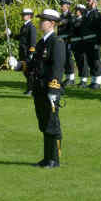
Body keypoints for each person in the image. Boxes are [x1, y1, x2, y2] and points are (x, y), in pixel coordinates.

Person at [28, 9, 65, 169]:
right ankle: (46, 157)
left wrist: (54, 90)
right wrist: (19, 65)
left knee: (52, 123)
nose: (40, 22)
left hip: (50, 89)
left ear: (52, 23)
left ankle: (54, 160)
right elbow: (34, 66)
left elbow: (57, 68)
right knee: (43, 122)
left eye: (44, 20)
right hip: (39, 88)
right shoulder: (41, 42)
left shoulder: (56, 42)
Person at [82, 0, 101, 89]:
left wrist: (98, 43)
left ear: (94, 2)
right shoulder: (87, 13)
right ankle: (93, 80)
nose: (87, 2)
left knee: (95, 61)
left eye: (89, 1)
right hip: (87, 40)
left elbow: (99, 29)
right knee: (90, 60)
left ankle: (98, 81)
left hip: (94, 41)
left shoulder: (97, 13)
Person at [17, 8, 37, 95]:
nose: (22, 16)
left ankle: (31, 89)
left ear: (29, 16)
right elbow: (20, 37)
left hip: (28, 53)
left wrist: (31, 53)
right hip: (22, 52)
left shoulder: (31, 27)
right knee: (25, 71)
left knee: (29, 72)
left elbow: (33, 41)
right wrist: (10, 34)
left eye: (24, 15)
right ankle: (30, 88)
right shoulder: (23, 26)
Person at [58, 0, 75, 86]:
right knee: (64, 58)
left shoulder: (70, 16)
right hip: (61, 40)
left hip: (67, 40)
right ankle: (67, 77)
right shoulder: (61, 16)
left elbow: (71, 29)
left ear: (68, 6)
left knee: (69, 58)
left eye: (62, 5)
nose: (61, 6)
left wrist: (69, 40)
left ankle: (71, 78)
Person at [71, 4, 89, 87]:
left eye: (78, 10)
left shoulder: (84, 20)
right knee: (79, 61)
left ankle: (84, 80)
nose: (76, 11)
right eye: (76, 10)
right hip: (75, 44)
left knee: (83, 61)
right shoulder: (75, 19)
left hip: (82, 43)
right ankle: (81, 78)